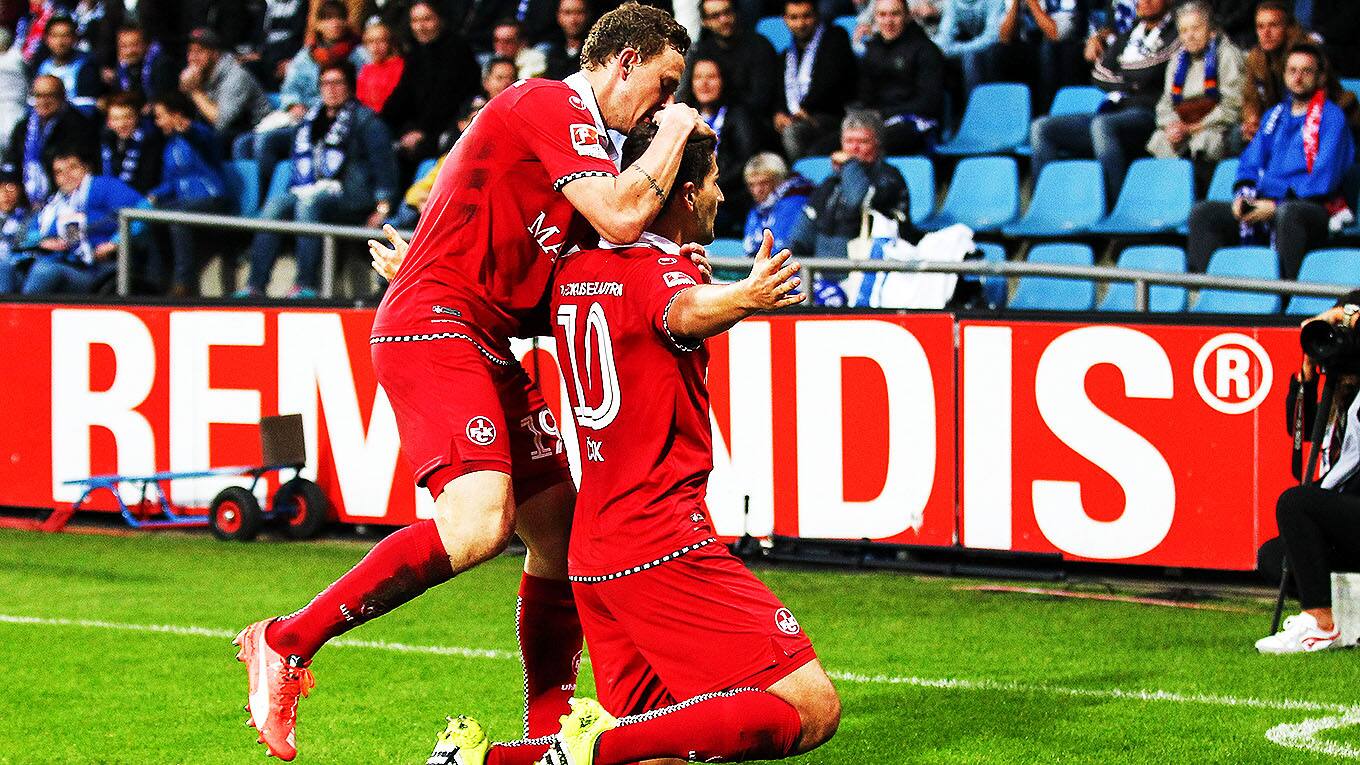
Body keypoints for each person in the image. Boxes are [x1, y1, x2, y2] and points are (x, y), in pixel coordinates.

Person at [233, 5, 708, 760]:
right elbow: (621, 218)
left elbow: (571, 292)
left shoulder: (585, 154)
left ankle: (549, 740)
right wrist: (679, 129)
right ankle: (287, 640)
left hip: (478, 333)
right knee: (480, 524)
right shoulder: (549, 103)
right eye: (664, 84)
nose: (666, 103)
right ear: (625, 63)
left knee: (561, 536)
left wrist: (670, 272)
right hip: (436, 327)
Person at [427, 121, 839, 765]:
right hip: (660, 536)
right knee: (810, 708)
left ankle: (483, 760)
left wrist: (421, 273)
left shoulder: (577, 268)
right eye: (712, 183)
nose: (721, 196)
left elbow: (615, 304)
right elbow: (679, 311)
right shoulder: (659, 273)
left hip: (594, 548)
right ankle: (588, 746)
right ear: (684, 194)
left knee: (656, 751)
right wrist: (745, 296)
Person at [1186, 43, 1355, 280]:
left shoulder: (1332, 117)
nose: (1298, 77)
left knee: (1287, 214)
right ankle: (1206, 291)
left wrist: (1276, 205)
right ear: (1284, 75)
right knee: (1204, 213)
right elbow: (1250, 162)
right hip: (1264, 203)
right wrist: (1244, 198)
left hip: (1311, 207)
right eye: (1292, 71)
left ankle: (1285, 294)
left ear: (1320, 77)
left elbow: (1324, 176)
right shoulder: (1274, 116)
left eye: (1306, 71)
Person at [237, 62, 397, 298]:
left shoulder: (366, 121)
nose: (330, 89)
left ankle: (306, 285)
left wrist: (382, 208)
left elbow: (384, 166)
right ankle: (255, 286)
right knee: (275, 206)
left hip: (351, 197)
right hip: (310, 190)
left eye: (337, 83)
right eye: (325, 83)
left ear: (349, 87)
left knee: (308, 205)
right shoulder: (310, 120)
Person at [1257, 293, 1360, 654]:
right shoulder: (1341, 395)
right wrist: (1308, 370)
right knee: (1275, 556)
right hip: (1349, 517)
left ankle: (1320, 624)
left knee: (1295, 502)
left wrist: (1347, 315)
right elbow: (1299, 429)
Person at [1030, 0, 1179, 203]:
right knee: (1042, 128)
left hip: (1147, 113)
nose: (1143, 1)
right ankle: (1047, 205)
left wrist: (1122, 72)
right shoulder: (1132, 32)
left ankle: (1116, 208)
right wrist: (1131, 83)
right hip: (1114, 110)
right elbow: (1099, 73)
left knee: (1102, 125)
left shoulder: (1176, 33)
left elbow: (1151, 69)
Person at [13, 149, 143, 294]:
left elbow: (143, 211)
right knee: (4, 265)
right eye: (59, 172)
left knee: (43, 271)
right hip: (54, 259)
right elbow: (28, 235)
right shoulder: (54, 203)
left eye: (73, 168)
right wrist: (42, 241)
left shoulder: (102, 186)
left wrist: (114, 243)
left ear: (86, 168)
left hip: (94, 268)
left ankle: (22, 309)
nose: (66, 176)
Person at [791, 109, 909, 259]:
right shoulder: (831, 182)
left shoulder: (889, 178)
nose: (854, 148)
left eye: (863, 142)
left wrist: (849, 165)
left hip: (871, 265)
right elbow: (804, 229)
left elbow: (857, 200)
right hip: (824, 267)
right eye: (849, 141)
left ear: (878, 144)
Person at [379, 2, 480, 173]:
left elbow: (448, 101)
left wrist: (422, 132)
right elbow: (402, 97)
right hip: (416, 131)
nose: (420, 27)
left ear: (440, 20)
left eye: (427, 19)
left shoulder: (458, 51)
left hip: (448, 131)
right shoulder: (416, 53)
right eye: (415, 21)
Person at [148, 91, 231, 296]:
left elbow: (206, 141)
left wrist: (189, 130)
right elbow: (170, 183)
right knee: (150, 218)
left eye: (160, 116)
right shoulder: (170, 146)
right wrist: (154, 195)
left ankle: (183, 284)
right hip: (185, 203)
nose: (158, 123)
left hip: (212, 199)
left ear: (176, 115)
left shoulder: (200, 134)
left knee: (178, 217)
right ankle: (154, 283)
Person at [1145, 0, 1243, 165]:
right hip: (1181, 126)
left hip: (1214, 127)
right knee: (1160, 140)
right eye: (1184, 31)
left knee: (1207, 141)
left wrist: (1195, 127)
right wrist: (1173, 126)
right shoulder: (1176, 61)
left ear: (1211, 31)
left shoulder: (1227, 55)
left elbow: (1233, 105)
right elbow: (1165, 104)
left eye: (1196, 28)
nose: (1189, 36)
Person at [680, 0, 781, 134]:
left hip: (754, 123)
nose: (724, 20)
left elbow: (761, 99)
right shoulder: (702, 52)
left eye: (727, 12)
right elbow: (689, 94)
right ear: (705, 22)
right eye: (715, 16)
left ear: (736, 13)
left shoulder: (760, 46)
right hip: (711, 118)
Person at [858, 0, 945, 155]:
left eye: (895, 14)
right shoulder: (872, 49)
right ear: (875, 18)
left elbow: (929, 103)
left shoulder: (926, 50)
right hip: (877, 122)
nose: (888, 21)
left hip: (916, 123)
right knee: (825, 146)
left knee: (871, 144)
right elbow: (864, 96)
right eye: (882, 15)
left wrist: (884, 114)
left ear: (907, 16)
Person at [775, 0, 858, 160]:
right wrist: (779, 113)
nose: (801, 24)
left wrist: (806, 109)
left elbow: (831, 80)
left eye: (806, 16)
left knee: (794, 132)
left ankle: (802, 173)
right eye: (794, 17)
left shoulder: (835, 38)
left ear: (817, 16)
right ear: (785, 19)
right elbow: (779, 91)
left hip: (831, 116)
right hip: (797, 117)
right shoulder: (785, 55)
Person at [686, 57, 757, 237]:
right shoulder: (685, 117)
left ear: (723, 81)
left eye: (711, 77)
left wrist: (711, 183)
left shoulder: (738, 116)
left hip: (728, 198)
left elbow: (746, 161)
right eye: (698, 77)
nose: (704, 83)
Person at [4, 75, 98, 207]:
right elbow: (12, 162)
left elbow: (74, 168)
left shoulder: (79, 125)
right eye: (38, 96)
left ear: (62, 96)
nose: (43, 101)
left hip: (66, 200)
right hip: (26, 203)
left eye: (50, 96)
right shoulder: (23, 127)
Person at [178, 27, 273, 145]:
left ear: (215, 54)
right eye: (190, 52)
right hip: (231, 133)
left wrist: (194, 91)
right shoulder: (200, 74)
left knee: (214, 137)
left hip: (256, 133)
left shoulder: (236, 76)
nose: (192, 58)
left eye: (199, 52)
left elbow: (221, 122)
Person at [279, 0, 367, 116]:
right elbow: (290, 88)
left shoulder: (360, 54)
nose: (335, 23)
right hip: (307, 111)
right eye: (328, 19)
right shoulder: (306, 55)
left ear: (346, 22)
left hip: (348, 113)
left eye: (339, 18)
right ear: (319, 25)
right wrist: (293, 104)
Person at [1240, 0, 1306, 146]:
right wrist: (1252, 119)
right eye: (1260, 26)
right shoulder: (1256, 58)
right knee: (1236, 136)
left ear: (1288, 28)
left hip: (1308, 125)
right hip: (1275, 124)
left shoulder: (1306, 55)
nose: (1266, 33)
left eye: (1273, 25)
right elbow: (1250, 98)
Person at [998, 0, 1084, 111]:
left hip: (1062, 49)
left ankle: (1046, 112)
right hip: (1026, 49)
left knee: (1047, 50)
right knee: (997, 51)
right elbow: (1005, 37)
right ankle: (1008, 111)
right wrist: (1015, 5)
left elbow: (1057, 34)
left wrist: (1033, 4)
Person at [743, 151, 812, 256]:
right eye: (751, 185)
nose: (757, 191)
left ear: (778, 180)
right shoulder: (756, 209)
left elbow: (782, 248)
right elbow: (748, 246)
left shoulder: (794, 204)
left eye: (763, 183)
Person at [932, 0, 1005, 94]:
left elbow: (991, 37)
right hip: (967, 47)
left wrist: (953, 49)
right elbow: (945, 35)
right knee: (933, 55)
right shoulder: (953, 2)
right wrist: (936, 48)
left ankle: (976, 101)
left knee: (970, 57)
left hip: (996, 50)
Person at [34, 16, 103, 112]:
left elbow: (87, 108)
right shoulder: (41, 65)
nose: (60, 42)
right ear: (46, 39)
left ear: (74, 38)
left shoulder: (87, 66)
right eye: (55, 36)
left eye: (65, 36)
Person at [99, 92, 162, 196]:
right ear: (108, 122)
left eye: (127, 117)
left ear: (137, 117)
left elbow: (147, 182)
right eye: (116, 119)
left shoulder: (150, 141)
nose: (122, 124)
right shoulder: (106, 140)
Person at [101, 24, 178, 105]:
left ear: (145, 45)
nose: (129, 51)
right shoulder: (120, 68)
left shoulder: (161, 65)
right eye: (124, 46)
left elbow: (164, 99)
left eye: (134, 45)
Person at [0, 165, 38, 293]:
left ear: (20, 190)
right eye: (0, 188)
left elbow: (30, 247)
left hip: (17, 271)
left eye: (11, 187)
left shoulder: (32, 217)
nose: (6, 193)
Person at [356, 20, 404, 112]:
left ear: (390, 42)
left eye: (381, 41)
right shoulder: (366, 69)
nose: (375, 46)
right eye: (371, 42)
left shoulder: (400, 67)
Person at [542, 0, 590, 80]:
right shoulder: (552, 53)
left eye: (579, 13)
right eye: (567, 13)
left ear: (588, 15)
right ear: (558, 16)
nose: (573, 20)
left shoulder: (595, 53)